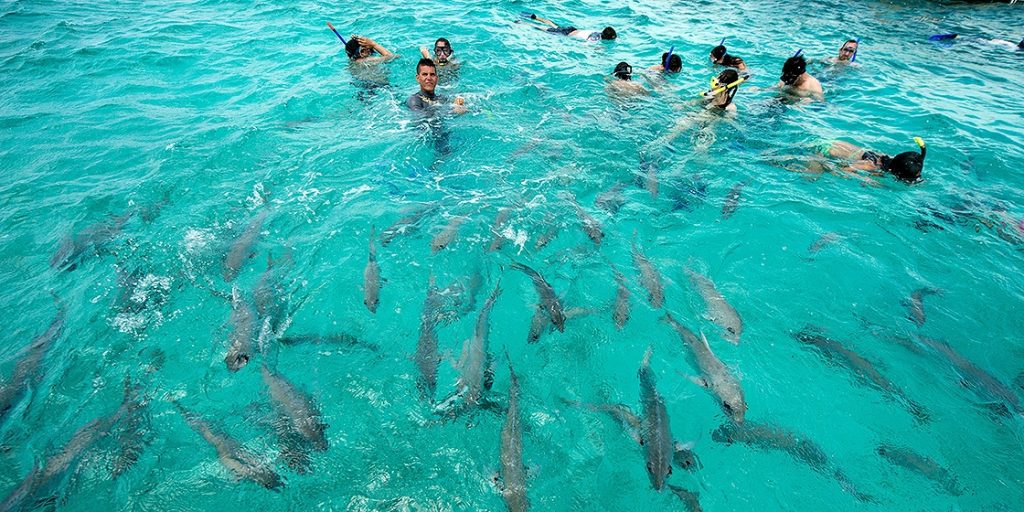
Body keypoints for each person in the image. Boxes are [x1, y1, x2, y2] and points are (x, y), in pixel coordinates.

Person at [809, 138, 926, 183]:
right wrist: (865, 178)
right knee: (811, 178)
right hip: (821, 150)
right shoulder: (871, 165)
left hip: (832, 142)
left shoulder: (890, 159)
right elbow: (844, 170)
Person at [520, 12, 616, 42]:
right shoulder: (594, 38)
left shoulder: (598, 32)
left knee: (553, 25)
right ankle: (523, 23)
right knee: (543, 29)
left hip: (572, 29)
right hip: (566, 33)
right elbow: (586, 45)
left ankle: (535, 17)